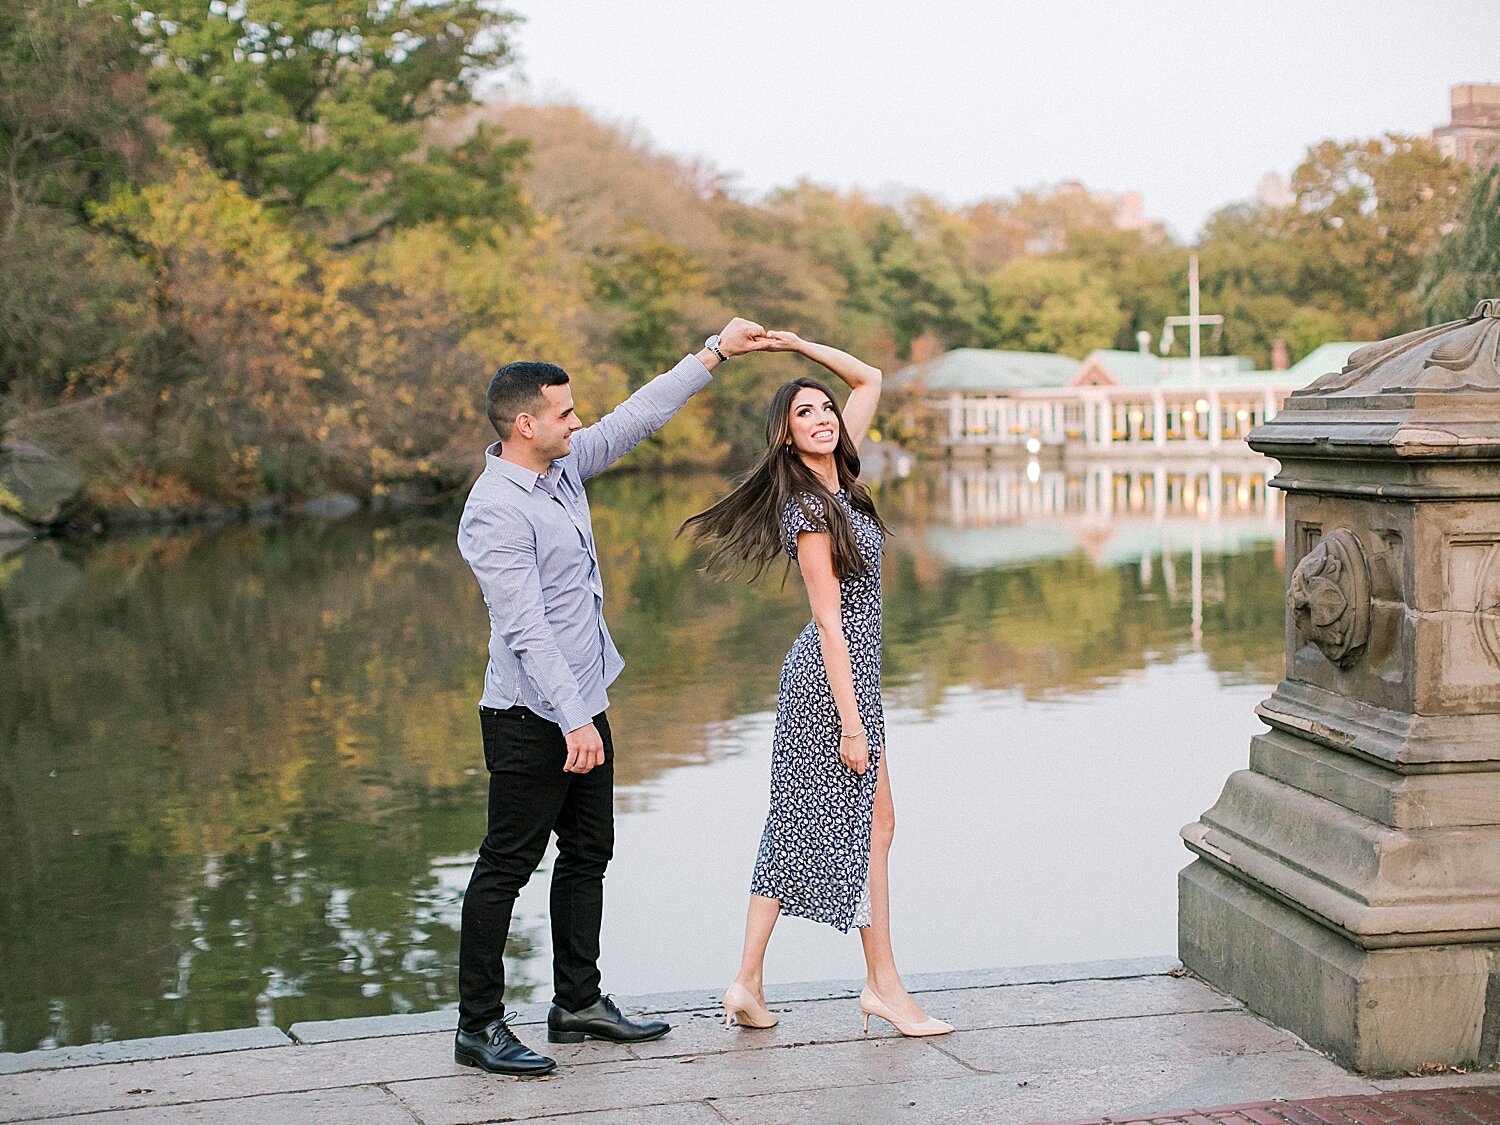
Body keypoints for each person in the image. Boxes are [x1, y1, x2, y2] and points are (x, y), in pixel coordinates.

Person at [454, 317, 772, 1077]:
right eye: (564, 412)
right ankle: (478, 1024)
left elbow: (638, 415)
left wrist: (714, 352)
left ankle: (578, 1003)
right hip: (532, 714)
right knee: (506, 863)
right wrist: (572, 721)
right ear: (525, 423)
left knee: (588, 851)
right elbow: (525, 629)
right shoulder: (495, 509)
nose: (577, 421)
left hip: (583, 700)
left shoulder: (561, 467)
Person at [681, 331, 953, 1039]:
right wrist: (853, 722)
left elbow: (872, 379)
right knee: (871, 824)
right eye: (804, 413)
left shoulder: (844, 476)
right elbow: (829, 623)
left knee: (823, 822)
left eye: (824, 408)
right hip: (831, 683)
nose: (824, 417)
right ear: (785, 433)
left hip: (854, 679)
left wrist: (795, 343)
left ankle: (747, 980)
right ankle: (883, 985)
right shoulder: (805, 507)